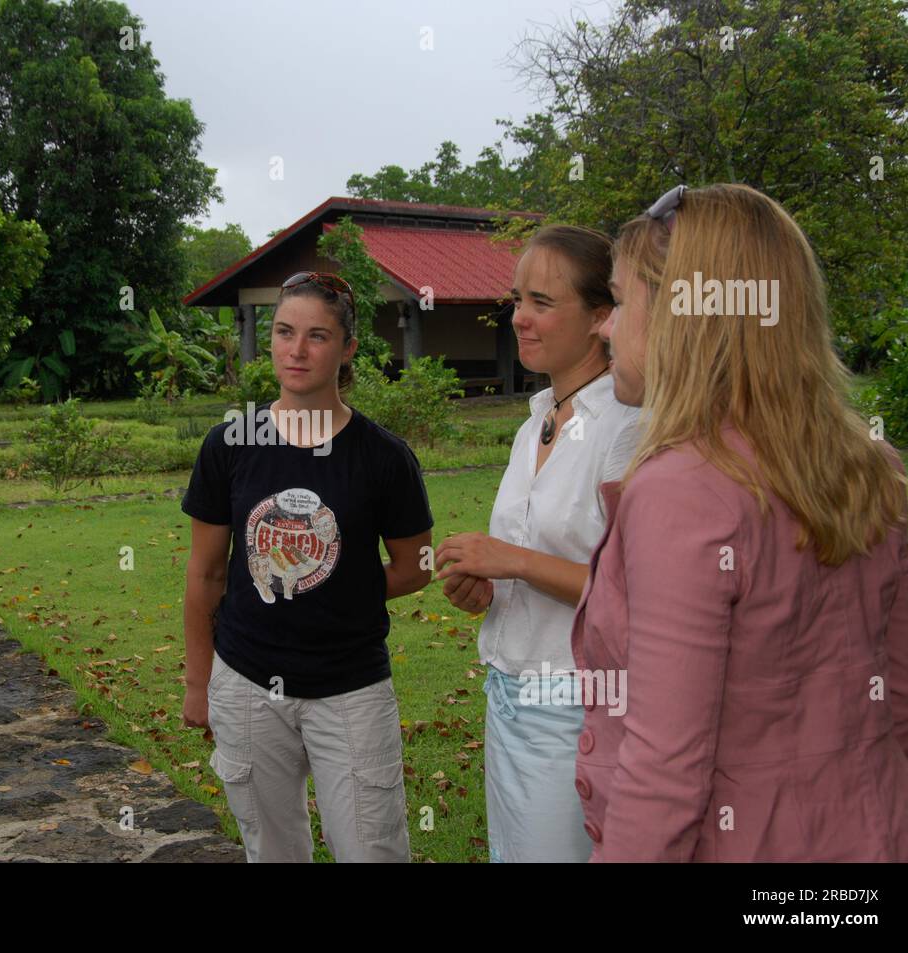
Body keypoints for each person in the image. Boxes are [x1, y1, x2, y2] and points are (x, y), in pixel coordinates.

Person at [574, 182, 908, 860]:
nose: (604, 326)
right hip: (877, 828)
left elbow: (665, 772)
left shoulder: (684, 489)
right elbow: (903, 691)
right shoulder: (871, 463)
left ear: (687, 314)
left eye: (619, 302)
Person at [180, 272, 433, 862]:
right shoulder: (231, 444)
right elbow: (207, 573)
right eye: (284, 332)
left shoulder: (383, 456)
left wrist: (338, 590)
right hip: (245, 684)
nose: (296, 350)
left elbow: (416, 564)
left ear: (347, 349)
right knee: (272, 850)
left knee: (371, 848)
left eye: (317, 336)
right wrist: (199, 684)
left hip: (350, 690)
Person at [434, 225, 641, 862]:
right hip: (508, 689)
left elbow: (645, 596)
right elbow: (537, 567)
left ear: (603, 318)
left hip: (581, 702)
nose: (519, 318)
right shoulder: (537, 422)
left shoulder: (627, 430)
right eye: (518, 299)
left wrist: (515, 560)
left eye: (543, 303)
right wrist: (486, 589)